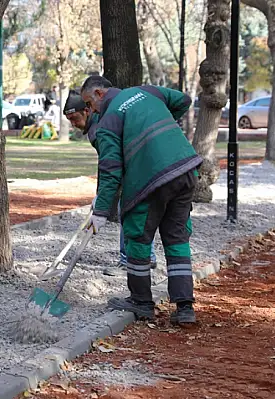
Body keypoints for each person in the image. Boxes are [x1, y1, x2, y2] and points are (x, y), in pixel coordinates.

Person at [79, 76, 201, 325]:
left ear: (100, 93)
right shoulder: (149, 91)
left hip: (150, 180)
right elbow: (184, 100)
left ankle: (141, 302)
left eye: (89, 104)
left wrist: (101, 211)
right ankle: (185, 307)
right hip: (185, 169)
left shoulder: (109, 121)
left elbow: (111, 169)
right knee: (177, 239)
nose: (91, 111)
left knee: (137, 237)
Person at [62, 90, 157, 276]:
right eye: (69, 121)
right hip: (142, 168)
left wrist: (103, 201)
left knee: (128, 210)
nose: (73, 124)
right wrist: (100, 194)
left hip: (138, 170)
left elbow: (110, 164)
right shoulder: (97, 125)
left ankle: (129, 261)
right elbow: (105, 163)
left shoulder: (100, 128)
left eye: (75, 118)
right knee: (132, 211)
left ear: (87, 111)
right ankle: (147, 257)